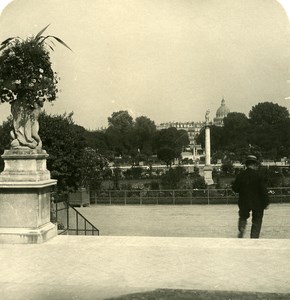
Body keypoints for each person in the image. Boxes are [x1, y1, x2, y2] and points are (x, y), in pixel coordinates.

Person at [232, 155, 269, 238]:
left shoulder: (241, 175)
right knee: (257, 220)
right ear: (255, 164)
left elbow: (235, 188)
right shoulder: (259, 175)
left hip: (244, 201)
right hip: (257, 202)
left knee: (243, 216)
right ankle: (254, 237)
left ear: (246, 164)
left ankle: (242, 228)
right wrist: (266, 202)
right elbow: (263, 190)